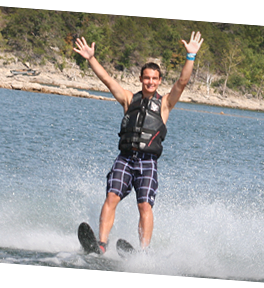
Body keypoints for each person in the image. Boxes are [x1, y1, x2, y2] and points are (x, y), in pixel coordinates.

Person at [73, 31, 204, 253]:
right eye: (146, 78)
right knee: (111, 197)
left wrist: (190, 57)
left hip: (147, 162)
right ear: (141, 79)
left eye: (154, 78)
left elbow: (182, 82)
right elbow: (107, 80)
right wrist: (91, 58)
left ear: (159, 80)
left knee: (144, 205)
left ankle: (143, 253)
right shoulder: (128, 99)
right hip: (125, 159)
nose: (150, 82)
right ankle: (101, 245)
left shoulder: (165, 104)